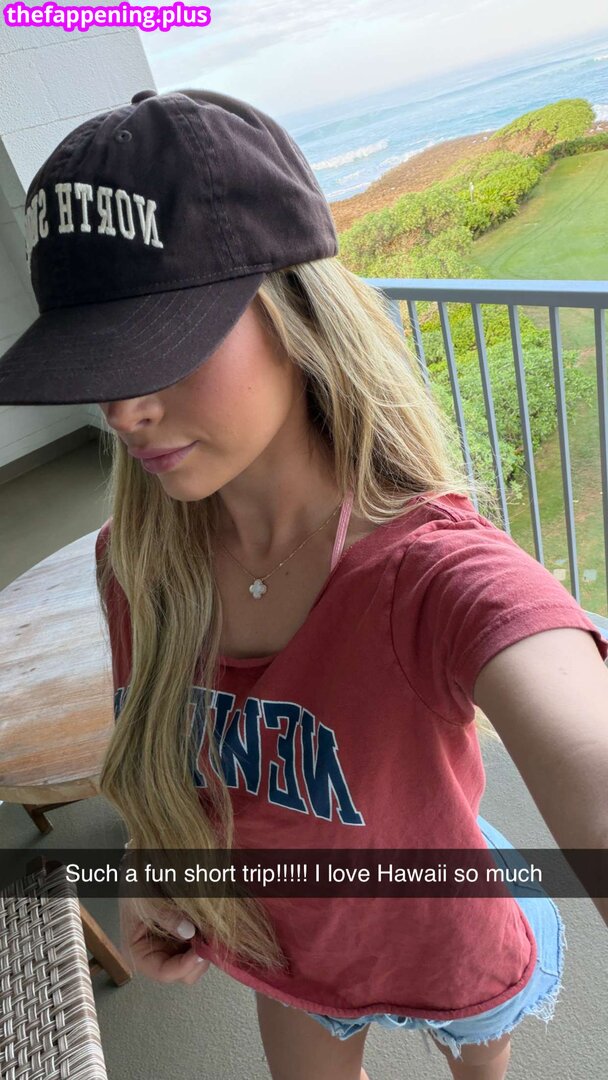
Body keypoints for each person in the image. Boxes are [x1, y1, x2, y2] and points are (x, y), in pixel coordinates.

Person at [1, 88, 607, 1080]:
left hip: (451, 938)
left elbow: (581, 750)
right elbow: (175, 760)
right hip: (289, 951)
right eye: (97, 360)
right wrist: (158, 868)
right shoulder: (137, 566)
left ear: (293, 311)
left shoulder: (430, 571)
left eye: (162, 345)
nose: (122, 409)